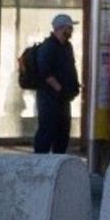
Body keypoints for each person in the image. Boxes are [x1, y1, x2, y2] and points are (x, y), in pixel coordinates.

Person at [33, 14, 80, 154]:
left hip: (64, 98)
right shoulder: (48, 47)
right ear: (59, 28)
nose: (71, 30)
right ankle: (40, 161)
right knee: (47, 129)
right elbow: (45, 72)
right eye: (69, 27)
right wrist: (59, 88)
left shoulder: (67, 46)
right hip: (49, 97)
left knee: (63, 131)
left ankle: (58, 160)